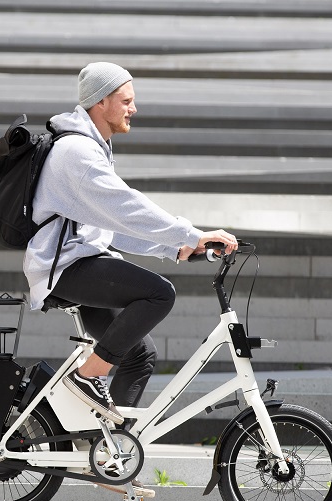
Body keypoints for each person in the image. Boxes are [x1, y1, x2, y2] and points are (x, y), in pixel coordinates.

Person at [23, 61, 238, 431]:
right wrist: (190, 235)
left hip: (82, 261)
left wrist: (175, 249)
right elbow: (128, 208)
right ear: (101, 102)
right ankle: (85, 378)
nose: (133, 109)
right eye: (126, 100)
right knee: (159, 294)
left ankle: (110, 451)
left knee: (140, 355)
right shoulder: (77, 152)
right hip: (66, 268)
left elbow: (110, 226)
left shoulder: (91, 146)